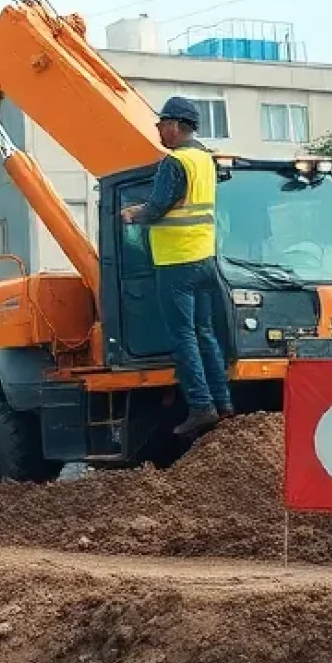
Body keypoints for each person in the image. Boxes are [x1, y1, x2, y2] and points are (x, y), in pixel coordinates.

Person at [119, 95, 234, 438]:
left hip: (176, 261)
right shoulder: (204, 160)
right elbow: (184, 203)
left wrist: (133, 214)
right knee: (204, 332)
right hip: (204, 259)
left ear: (174, 125)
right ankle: (223, 403)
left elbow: (157, 208)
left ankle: (200, 406)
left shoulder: (174, 162)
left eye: (160, 125)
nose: (158, 131)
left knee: (182, 336)